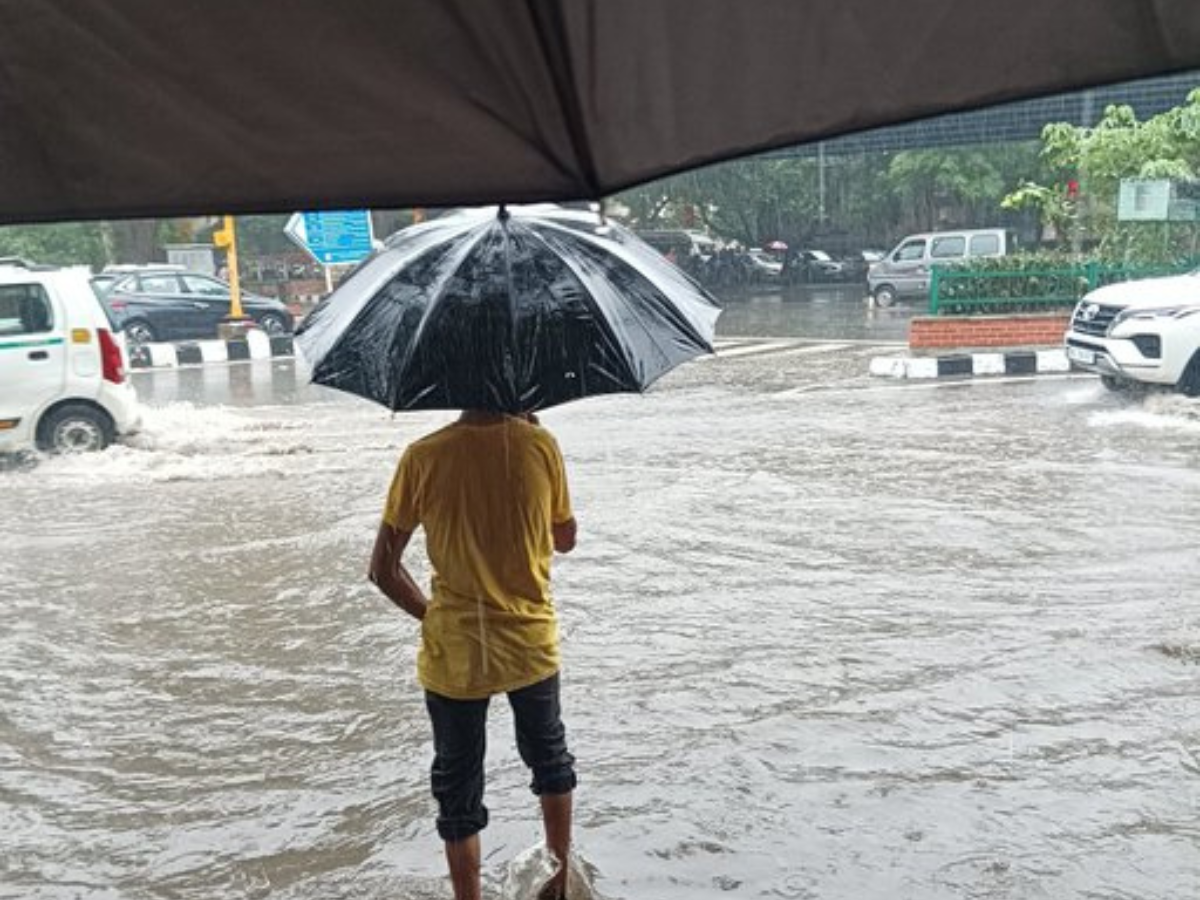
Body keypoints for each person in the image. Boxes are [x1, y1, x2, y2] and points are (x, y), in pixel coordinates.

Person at [369, 409, 579, 900]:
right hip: (530, 645)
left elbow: (383, 569)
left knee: (457, 789)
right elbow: (565, 539)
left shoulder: (422, 457)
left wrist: (434, 615)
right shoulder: (539, 445)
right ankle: (559, 884)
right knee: (551, 760)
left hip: (455, 656)